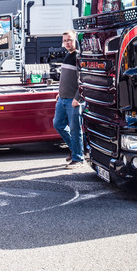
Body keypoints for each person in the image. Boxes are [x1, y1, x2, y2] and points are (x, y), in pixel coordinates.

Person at [53, 30, 84, 169]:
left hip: (73, 101)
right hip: (63, 99)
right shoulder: (68, 55)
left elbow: (84, 80)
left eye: (69, 40)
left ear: (75, 40)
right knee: (58, 124)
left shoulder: (78, 57)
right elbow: (66, 78)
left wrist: (77, 98)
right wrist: (60, 93)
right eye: (65, 40)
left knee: (75, 130)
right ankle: (75, 150)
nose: (67, 43)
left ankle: (78, 159)